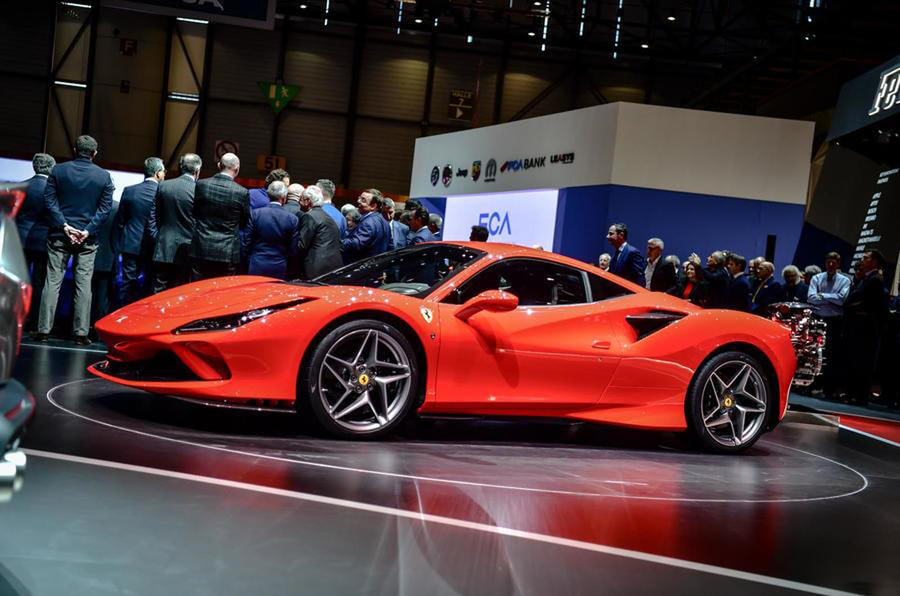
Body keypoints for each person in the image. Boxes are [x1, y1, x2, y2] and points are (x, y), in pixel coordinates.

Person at [35, 134, 113, 345]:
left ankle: (43, 330)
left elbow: (49, 201)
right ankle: (80, 333)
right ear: (94, 153)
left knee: (52, 282)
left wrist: (64, 225)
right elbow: (105, 209)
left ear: (75, 150)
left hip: (59, 235)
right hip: (87, 239)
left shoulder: (58, 170)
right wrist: (87, 230)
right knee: (84, 285)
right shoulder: (104, 176)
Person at [190, 152, 249, 281]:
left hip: (201, 247)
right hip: (227, 251)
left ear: (218, 165)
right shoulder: (242, 192)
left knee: (198, 288)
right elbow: (244, 222)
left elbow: (195, 212)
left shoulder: (201, 185)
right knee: (223, 290)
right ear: (237, 168)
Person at [115, 156, 165, 304]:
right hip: (154, 247)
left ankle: (122, 314)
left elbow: (121, 221)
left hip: (131, 244)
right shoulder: (163, 193)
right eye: (164, 171)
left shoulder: (129, 191)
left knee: (127, 284)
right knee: (149, 285)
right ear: (158, 173)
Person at [149, 153, 201, 293]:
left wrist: (157, 236)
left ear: (180, 167)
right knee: (180, 293)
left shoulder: (164, 186)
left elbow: (154, 216)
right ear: (197, 171)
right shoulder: (199, 190)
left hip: (163, 246)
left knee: (158, 292)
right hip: (187, 249)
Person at [843, 250, 890, 405]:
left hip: (866, 329)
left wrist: (850, 306)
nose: (862, 259)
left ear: (874, 261)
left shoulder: (875, 279)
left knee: (863, 362)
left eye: (866, 258)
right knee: (857, 361)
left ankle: (859, 396)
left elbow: (865, 303)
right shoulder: (867, 278)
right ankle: (854, 394)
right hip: (861, 327)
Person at [17, 153, 55, 330]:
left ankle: (16, 317)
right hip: (42, 241)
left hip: (20, 240)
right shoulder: (52, 190)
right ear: (51, 167)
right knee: (40, 283)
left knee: (19, 283)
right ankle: (34, 321)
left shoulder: (22, 186)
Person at [807, 252, 852, 400]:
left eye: (834, 262)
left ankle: (828, 389)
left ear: (838, 264)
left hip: (834, 322)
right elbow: (811, 298)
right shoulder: (816, 278)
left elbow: (842, 300)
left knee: (831, 355)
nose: (831, 265)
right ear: (825, 263)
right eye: (828, 262)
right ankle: (811, 385)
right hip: (818, 318)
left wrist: (822, 295)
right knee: (813, 352)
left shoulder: (845, 280)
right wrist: (832, 298)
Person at [241, 181, 298, 279]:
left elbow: (246, 242)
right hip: (280, 266)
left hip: (256, 263)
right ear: (284, 197)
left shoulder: (255, 214)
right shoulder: (292, 219)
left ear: (268, 195)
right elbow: (293, 249)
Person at [296, 185, 342, 279]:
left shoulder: (309, 216)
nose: (298, 202)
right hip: (334, 266)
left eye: (301, 199)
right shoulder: (327, 216)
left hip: (315, 268)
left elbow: (301, 245)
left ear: (307, 201)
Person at [342, 188, 390, 262]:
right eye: (359, 198)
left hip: (363, 265)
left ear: (373, 206)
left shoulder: (369, 222)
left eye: (363, 200)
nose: (358, 201)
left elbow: (356, 244)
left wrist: (338, 242)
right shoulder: (385, 222)